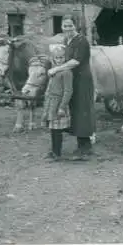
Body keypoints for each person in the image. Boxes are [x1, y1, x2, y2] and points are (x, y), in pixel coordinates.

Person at [48, 14, 96, 160]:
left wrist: (57, 69)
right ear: (61, 27)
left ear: (76, 26)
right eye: (65, 25)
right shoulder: (66, 40)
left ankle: (85, 147)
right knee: (74, 110)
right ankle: (80, 143)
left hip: (82, 79)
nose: (67, 28)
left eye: (70, 25)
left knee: (82, 109)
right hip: (70, 78)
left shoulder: (81, 41)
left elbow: (75, 61)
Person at [41, 44, 73, 160]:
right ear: (53, 58)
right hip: (52, 103)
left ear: (65, 58)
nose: (59, 60)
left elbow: (68, 91)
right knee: (53, 128)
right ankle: (54, 151)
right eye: (57, 58)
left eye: (61, 57)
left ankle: (57, 153)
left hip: (59, 103)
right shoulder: (53, 71)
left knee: (58, 129)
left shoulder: (66, 72)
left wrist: (62, 107)